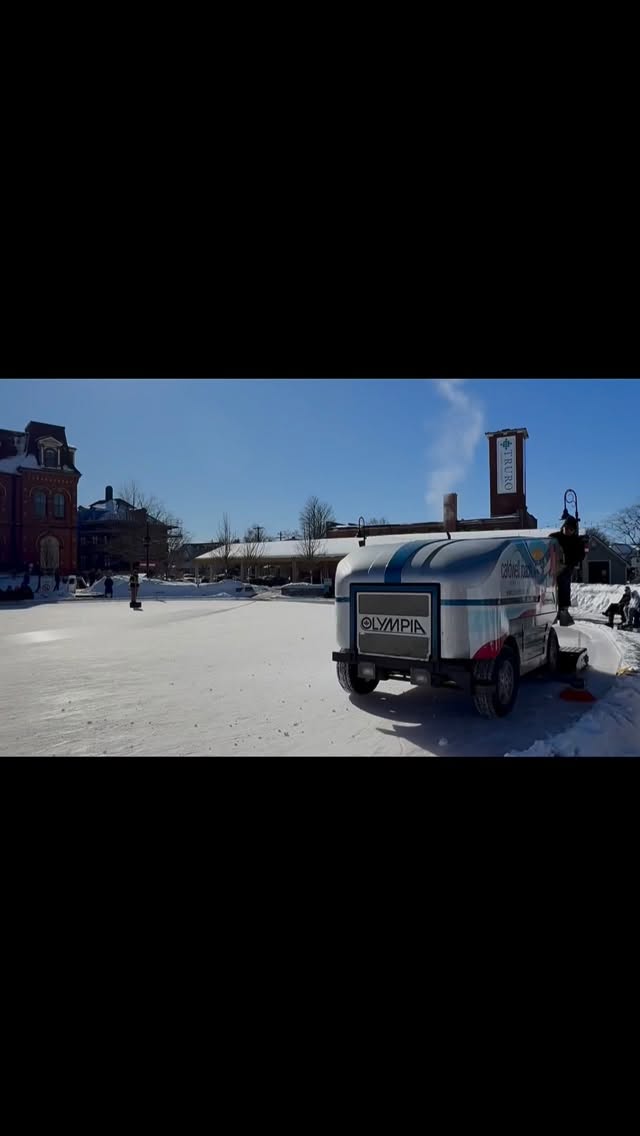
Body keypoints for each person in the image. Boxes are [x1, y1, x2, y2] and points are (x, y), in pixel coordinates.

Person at [550, 517, 586, 625]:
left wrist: (571, 563)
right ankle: (551, 608)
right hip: (553, 566)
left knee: (564, 583)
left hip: (566, 566)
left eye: (570, 529)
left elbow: (581, 555)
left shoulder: (577, 541)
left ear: (574, 530)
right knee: (550, 587)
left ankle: (563, 608)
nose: (567, 531)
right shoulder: (555, 537)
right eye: (566, 528)